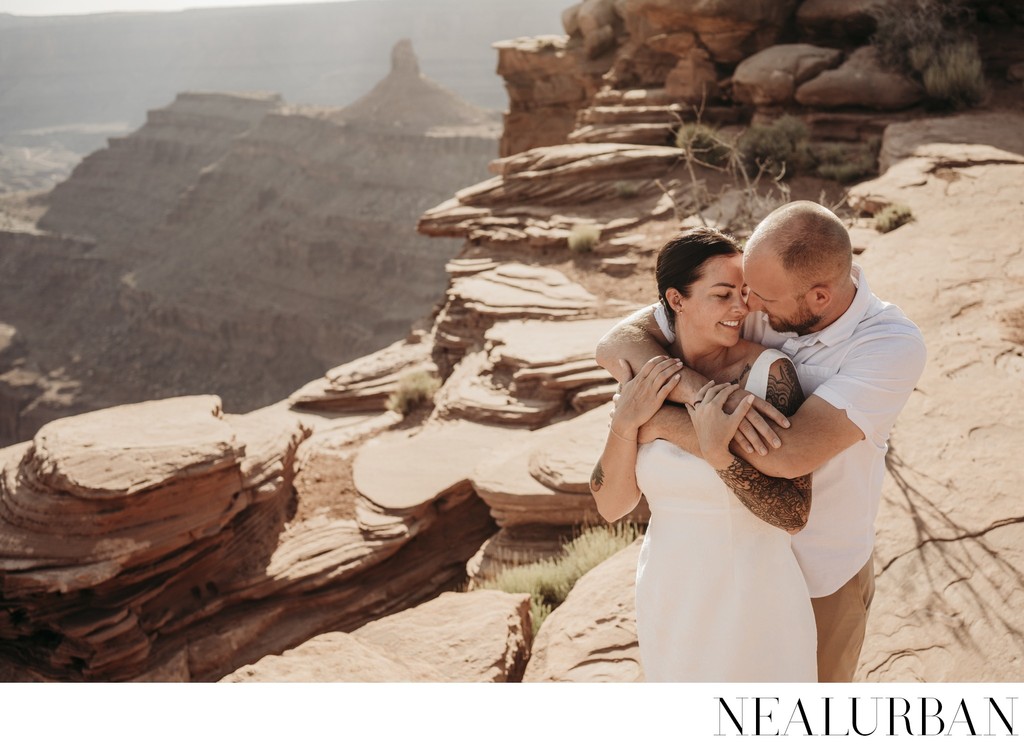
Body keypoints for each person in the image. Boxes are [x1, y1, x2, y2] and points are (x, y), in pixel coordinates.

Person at [596, 201, 927, 682]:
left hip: (820, 570)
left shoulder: (888, 346)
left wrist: (658, 422)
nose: (749, 308)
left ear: (817, 298)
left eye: (762, 299)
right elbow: (616, 341)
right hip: (708, 574)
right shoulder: (751, 302)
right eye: (742, 292)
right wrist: (693, 391)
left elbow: (788, 453)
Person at [590, 226, 817, 681]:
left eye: (744, 293)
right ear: (676, 300)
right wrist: (627, 422)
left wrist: (718, 455)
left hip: (754, 597)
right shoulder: (647, 380)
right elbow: (611, 504)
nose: (741, 308)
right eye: (722, 295)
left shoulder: (769, 373)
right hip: (670, 593)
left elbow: (793, 513)